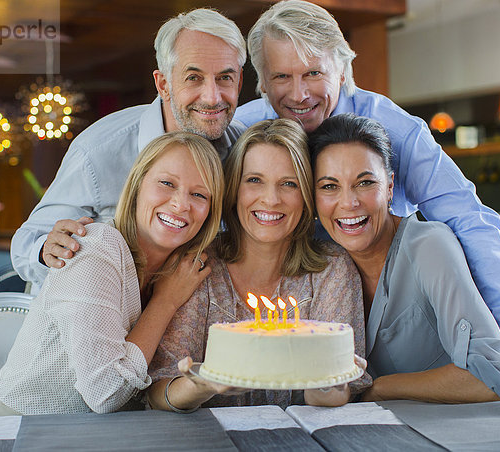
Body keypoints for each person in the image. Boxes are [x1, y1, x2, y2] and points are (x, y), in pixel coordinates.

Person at [234, 0, 500, 345]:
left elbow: (468, 221)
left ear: (343, 71)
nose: (299, 94)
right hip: (292, 316)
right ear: (262, 82)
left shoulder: (397, 130)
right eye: (282, 77)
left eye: (314, 73)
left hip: (392, 317)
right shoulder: (242, 133)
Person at [0, 132, 224, 415]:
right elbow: (106, 393)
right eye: (166, 183)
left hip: (92, 437)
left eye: (199, 194)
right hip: (19, 428)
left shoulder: (182, 269)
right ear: (137, 185)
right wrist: (165, 302)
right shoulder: (96, 247)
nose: (181, 204)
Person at [11, 8, 246, 293]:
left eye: (225, 78)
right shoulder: (99, 149)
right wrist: (47, 249)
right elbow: (26, 245)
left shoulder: (243, 148)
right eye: (193, 78)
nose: (212, 97)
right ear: (163, 84)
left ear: (240, 82)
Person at [145, 119, 370, 412]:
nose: (271, 199)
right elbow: (158, 392)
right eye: (254, 180)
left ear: (306, 195)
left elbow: (338, 394)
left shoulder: (331, 270)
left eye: (288, 184)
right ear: (234, 188)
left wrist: (327, 385)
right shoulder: (196, 265)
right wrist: (203, 384)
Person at [309, 113, 500, 403]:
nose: (349, 203)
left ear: (389, 186)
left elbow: (492, 377)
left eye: (365, 183)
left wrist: (376, 389)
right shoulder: (320, 257)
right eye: (329, 186)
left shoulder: (428, 245)